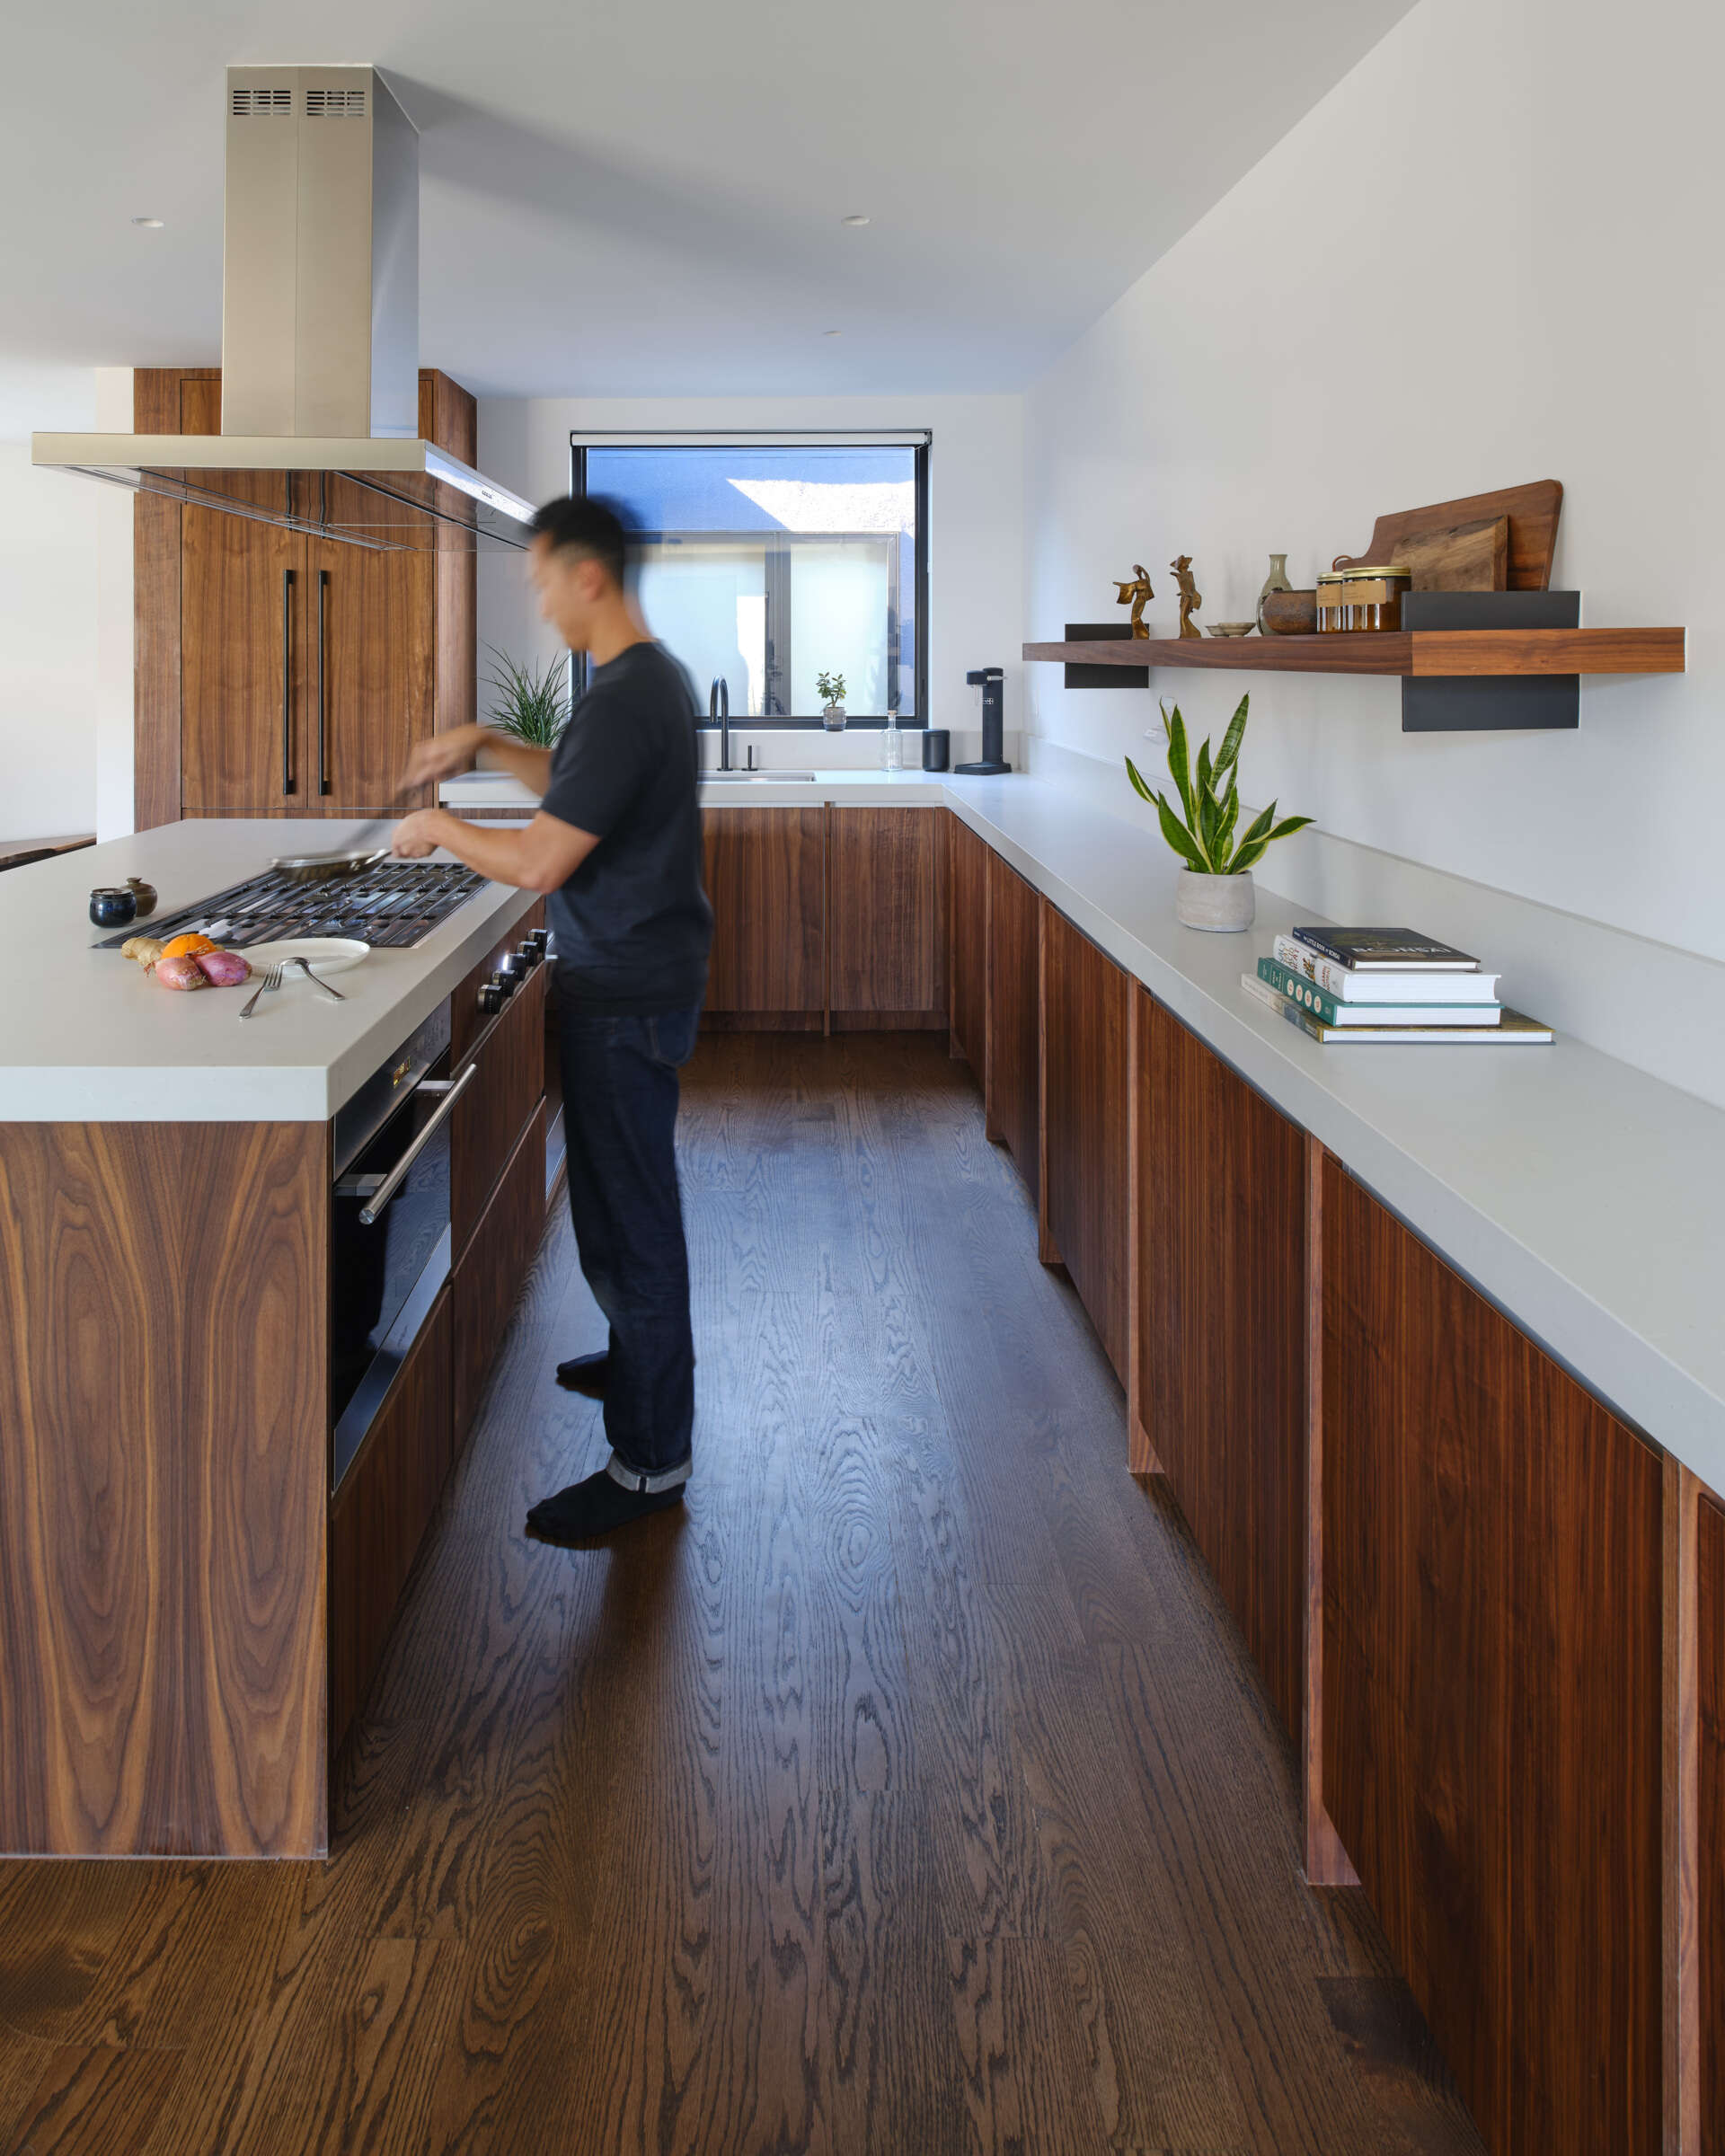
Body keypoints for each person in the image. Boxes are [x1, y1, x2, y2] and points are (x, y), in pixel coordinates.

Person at [394, 494, 712, 1544]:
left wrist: (437, 825)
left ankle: (650, 1464)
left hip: (625, 994)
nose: (538, 602)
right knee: (620, 1212)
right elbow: (575, 787)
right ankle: (636, 1361)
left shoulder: (625, 697)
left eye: (539, 582)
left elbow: (539, 860)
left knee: (631, 1222)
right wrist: (488, 742)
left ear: (587, 576)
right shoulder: (638, 682)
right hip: (636, 980)